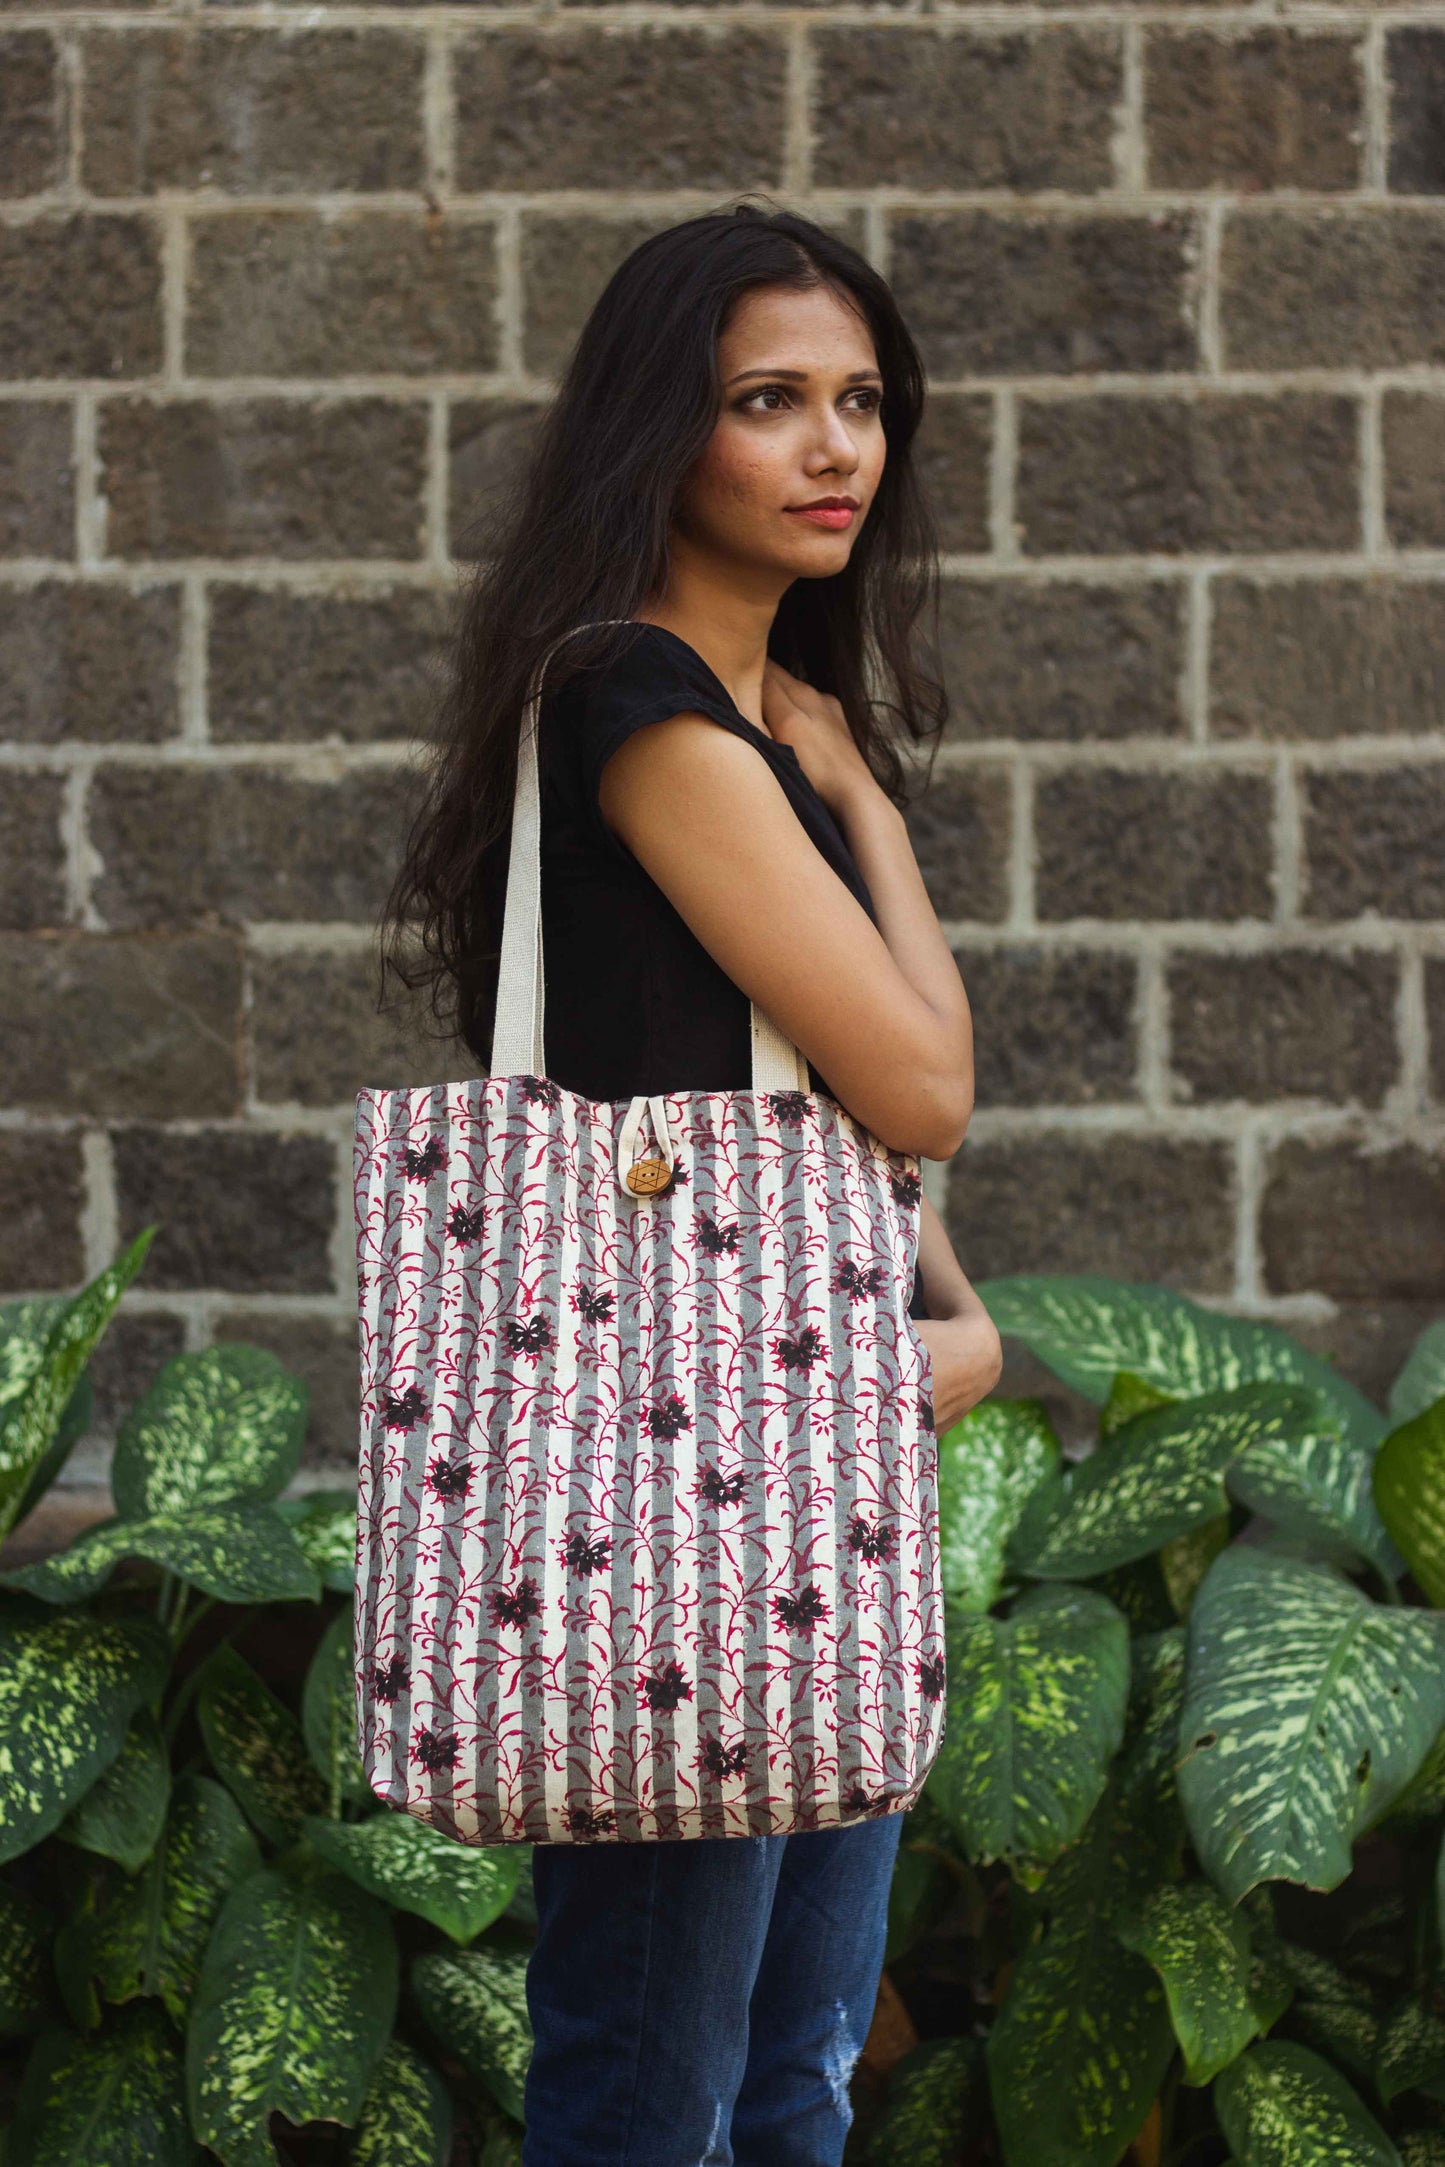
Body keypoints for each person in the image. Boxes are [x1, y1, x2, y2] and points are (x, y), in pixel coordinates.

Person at [385, 198, 1003, 2167]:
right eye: (771, 402)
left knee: (790, 2079)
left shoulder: (747, 720)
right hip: (670, 1528)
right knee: (659, 2095)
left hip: (800, 1505)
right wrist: (870, 817)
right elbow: (921, 1078)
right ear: (667, 430)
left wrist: (932, 1327)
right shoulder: (641, 706)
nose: (838, 447)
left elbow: (855, 1133)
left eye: (862, 400)